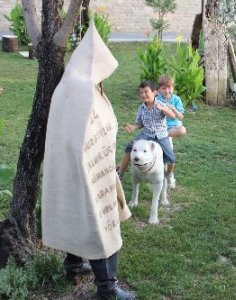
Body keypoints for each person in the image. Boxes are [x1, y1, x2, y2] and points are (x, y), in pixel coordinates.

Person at [41, 24, 135, 299]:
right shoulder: (83, 91)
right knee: (100, 227)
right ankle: (107, 289)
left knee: (75, 214)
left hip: (66, 167)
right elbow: (94, 130)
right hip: (89, 169)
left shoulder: (67, 84)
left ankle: (72, 266)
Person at [116, 80, 177, 182]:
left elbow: (173, 116)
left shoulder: (160, 104)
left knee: (171, 158)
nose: (143, 95)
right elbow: (141, 124)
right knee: (129, 146)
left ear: (154, 92)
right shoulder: (141, 109)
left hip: (161, 135)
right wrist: (133, 127)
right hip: (147, 134)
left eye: (146, 91)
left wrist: (163, 109)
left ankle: (169, 175)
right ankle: (120, 173)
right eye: (141, 93)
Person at [156, 75, 187, 188]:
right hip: (160, 127)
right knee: (165, 154)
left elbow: (180, 117)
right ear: (159, 89)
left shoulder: (176, 99)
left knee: (183, 130)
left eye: (169, 88)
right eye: (163, 88)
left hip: (171, 129)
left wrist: (173, 109)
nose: (167, 91)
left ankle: (169, 175)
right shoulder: (157, 99)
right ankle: (163, 175)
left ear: (173, 88)